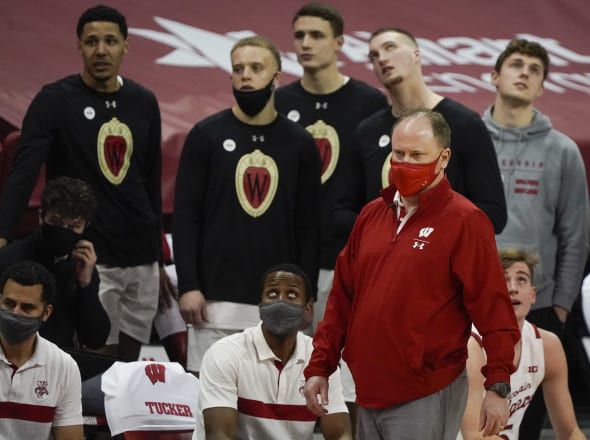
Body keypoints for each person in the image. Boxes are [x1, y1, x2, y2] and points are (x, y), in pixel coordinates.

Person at [304, 109, 519, 440]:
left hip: (425, 389)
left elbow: (494, 309)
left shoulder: (465, 221)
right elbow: (342, 299)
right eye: (398, 153)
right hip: (368, 386)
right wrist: (320, 365)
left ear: (444, 157)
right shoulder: (371, 215)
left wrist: (498, 385)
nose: (404, 163)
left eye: (417, 155)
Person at [0, 4, 163, 362]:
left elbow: (150, 182)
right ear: (79, 45)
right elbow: (24, 170)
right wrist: (3, 233)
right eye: (91, 41)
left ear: (126, 45)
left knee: (129, 368)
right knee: (96, 358)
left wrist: (159, 257)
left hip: (140, 255)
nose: (101, 50)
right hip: (91, 253)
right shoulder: (54, 100)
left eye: (110, 41)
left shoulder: (144, 101)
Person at [174, 35, 322, 372]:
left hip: (279, 302)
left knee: (272, 407)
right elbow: (186, 216)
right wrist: (189, 286)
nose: (245, 75)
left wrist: (306, 293)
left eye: (256, 68)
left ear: (276, 77)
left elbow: (309, 226)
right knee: (212, 409)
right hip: (213, 301)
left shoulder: (299, 143)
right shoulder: (205, 135)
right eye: (238, 68)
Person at [483, 38, 590, 439]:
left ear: (543, 86)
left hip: (538, 305)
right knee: (468, 414)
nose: (525, 72)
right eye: (516, 64)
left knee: (525, 424)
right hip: (470, 301)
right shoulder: (467, 140)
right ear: (494, 76)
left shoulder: (563, 151)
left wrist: (559, 307)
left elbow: (575, 237)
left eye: (535, 68)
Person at [276, 2, 388, 335]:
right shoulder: (279, 102)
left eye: (316, 35)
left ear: (339, 42)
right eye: (299, 36)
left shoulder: (368, 102)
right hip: (290, 257)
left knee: (343, 367)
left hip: (346, 257)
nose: (305, 44)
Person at [333, 27, 506, 242]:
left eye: (390, 48)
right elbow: (340, 212)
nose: (382, 59)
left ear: (417, 54)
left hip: (442, 264)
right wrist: (383, 227)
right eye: (374, 55)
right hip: (382, 265)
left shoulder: (464, 124)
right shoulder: (366, 132)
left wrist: (426, 228)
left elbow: (494, 213)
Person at [194, 263, 351, 439]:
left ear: (308, 308)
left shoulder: (320, 360)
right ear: (260, 305)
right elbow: (219, 435)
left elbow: (340, 434)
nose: (280, 301)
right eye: (272, 293)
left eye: (291, 294)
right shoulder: (225, 353)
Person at [459, 249, 586, 440]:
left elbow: (569, 432)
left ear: (533, 295)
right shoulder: (472, 346)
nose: (513, 288)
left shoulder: (547, 346)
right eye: (503, 280)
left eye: (521, 280)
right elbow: (474, 436)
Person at [0, 176, 109, 350]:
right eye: (56, 222)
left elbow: (95, 338)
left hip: (61, 364)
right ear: (41, 216)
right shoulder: (9, 259)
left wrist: (86, 285)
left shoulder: (81, 266)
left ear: (85, 226)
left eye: (73, 227)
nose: (63, 231)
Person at [0, 261, 83, 439]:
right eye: (9, 303)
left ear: (46, 313)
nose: (16, 313)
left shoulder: (64, 367)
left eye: (27, 307)